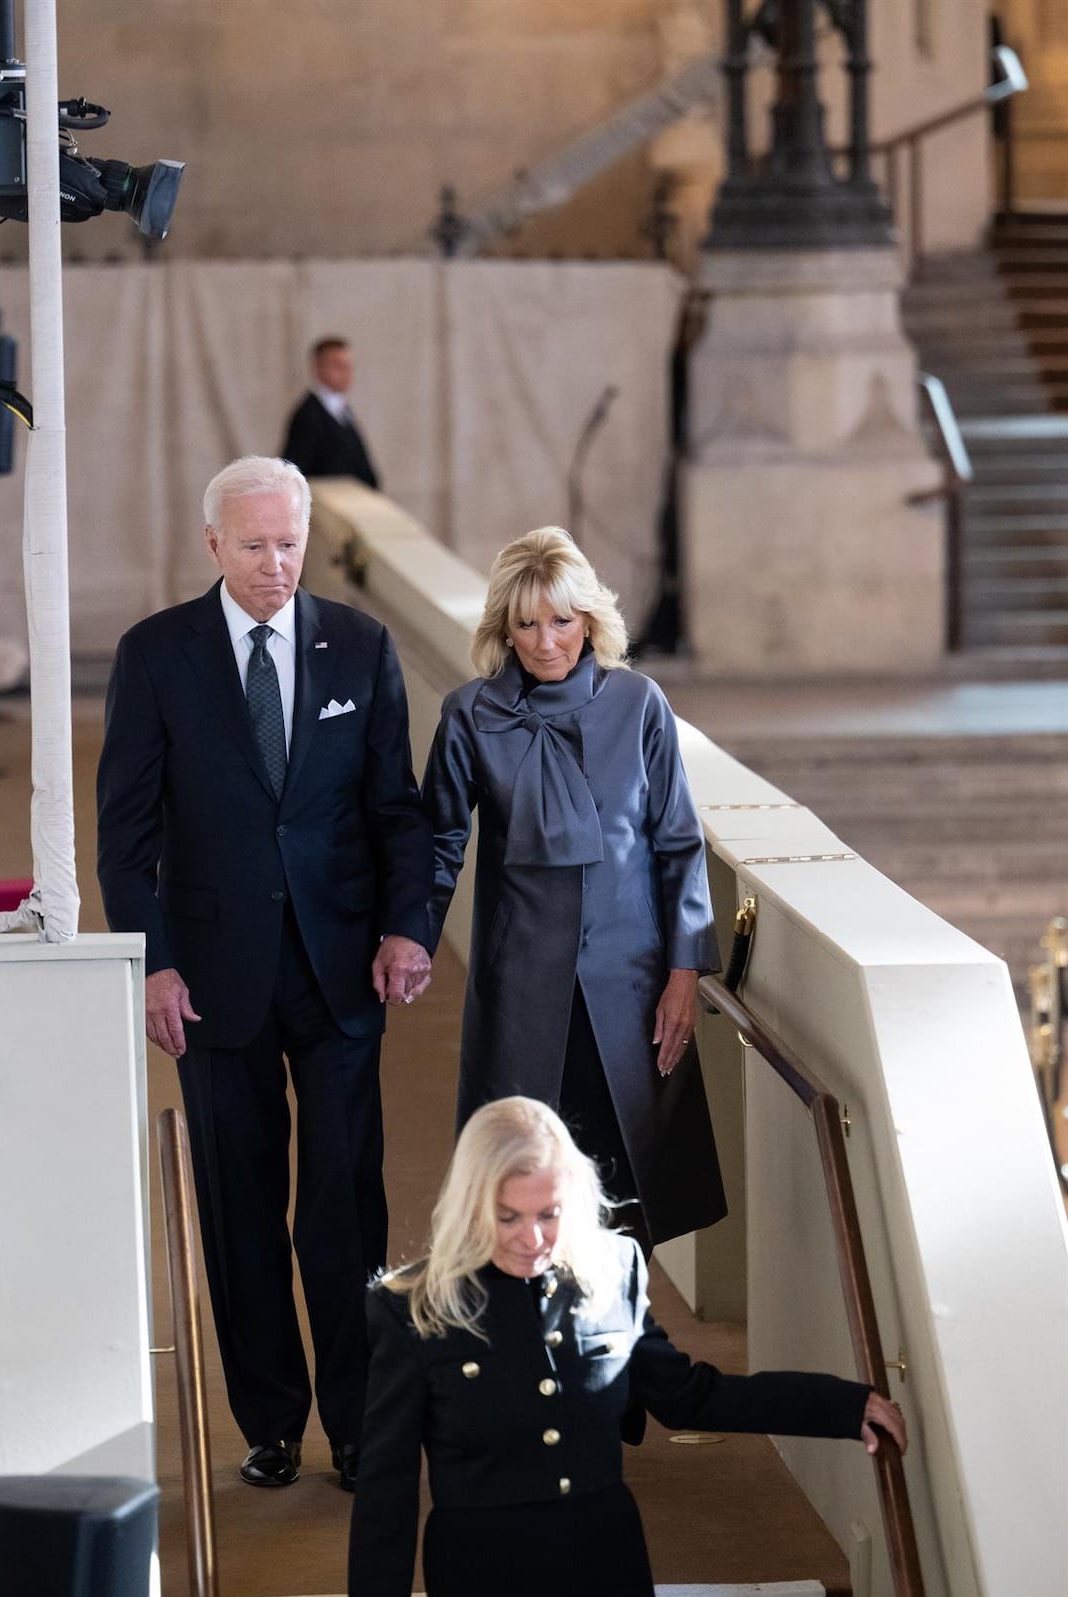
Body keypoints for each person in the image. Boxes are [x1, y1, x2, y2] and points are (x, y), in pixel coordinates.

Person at [348, 1097, 906, 1597]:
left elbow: (689, 1396)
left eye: (549, 1213)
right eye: (508, 1217)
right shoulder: (412, 1306)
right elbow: (387, 1494)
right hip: (489, 1594)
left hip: (603, 1577)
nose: (532, 1238)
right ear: (470, 1206)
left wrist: (840, 1405)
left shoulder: (613, 1269)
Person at [96, 455, 432, 1492]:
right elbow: (124, 835)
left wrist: (407, 928)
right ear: (213, 545)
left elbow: (397, 812)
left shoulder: (361, 646)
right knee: (239, 1207)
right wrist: (153, 966)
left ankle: (360, 1425)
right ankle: (271, 1422)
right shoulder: (156, 655)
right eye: (253, 546)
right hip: (211, 977)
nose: (275, 564)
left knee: (346, 1205)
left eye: (289, 543)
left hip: (341, 972)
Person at [421, 525, 723, 1249]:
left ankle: (625, 1319)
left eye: (561, 620)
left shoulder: (639, 703)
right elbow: (435, 842)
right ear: (505, 628)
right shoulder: (471, 715)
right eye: (527, 623)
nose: (546, 641)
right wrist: (409, 939)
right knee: (525, 1182)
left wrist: (685, 974)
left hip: (633, 984)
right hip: (521, 986)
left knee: (631, 1189)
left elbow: (678, 842)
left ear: (588, 619)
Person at [281, 336, 379, 488]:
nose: (346, 372)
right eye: (338, 366)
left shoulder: (343, 411)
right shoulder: (308, 415)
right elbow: (296, 472)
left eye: (349, 366)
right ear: (318, 368)